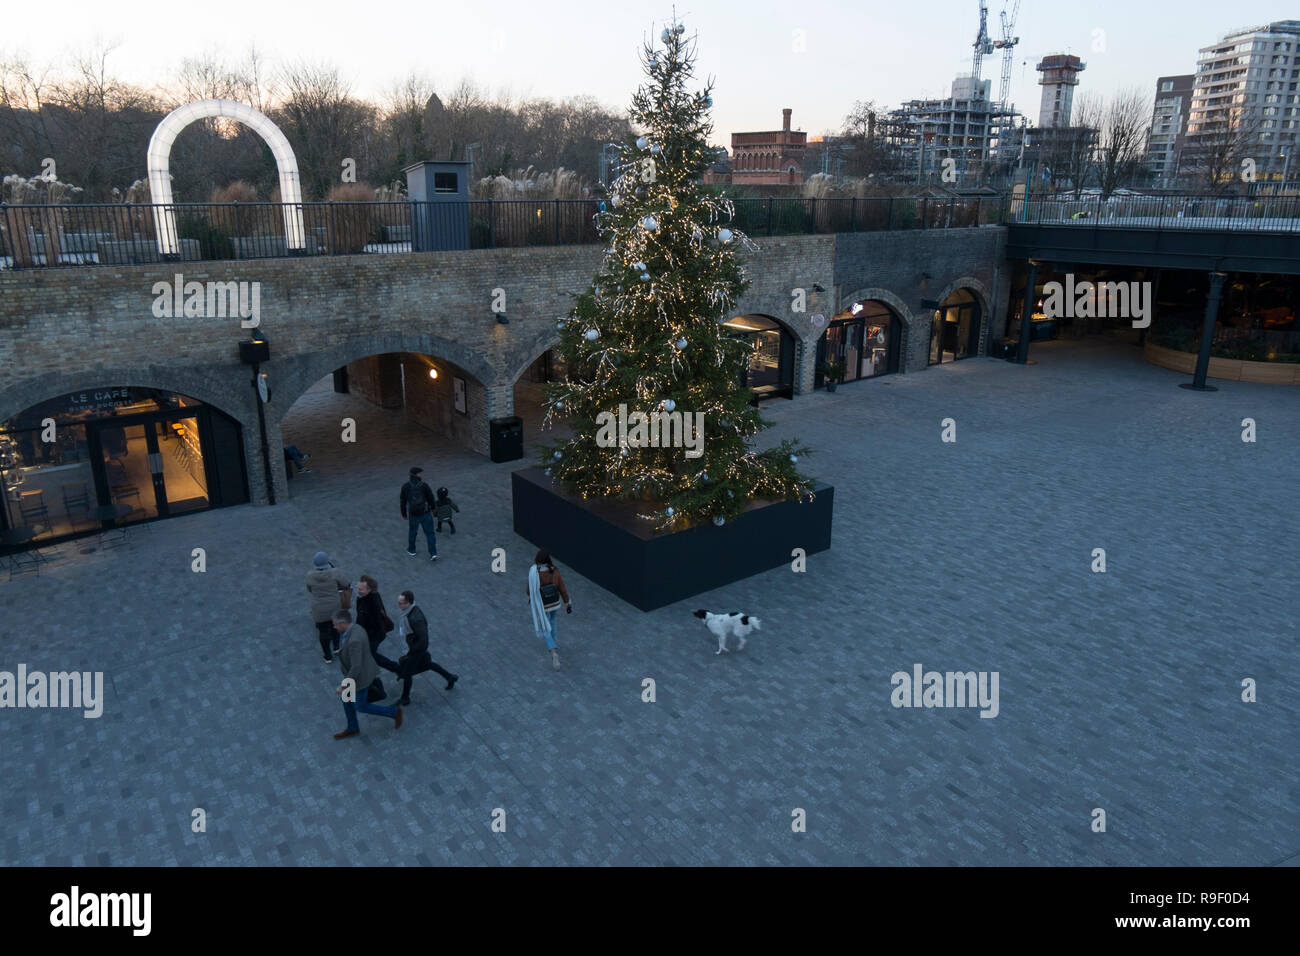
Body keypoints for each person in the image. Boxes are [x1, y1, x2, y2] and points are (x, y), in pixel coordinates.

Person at [375, 590, 458, 706]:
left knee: (408, 672)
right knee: (428, 664)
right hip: (416, 647)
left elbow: (423, 638)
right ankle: (450, 677)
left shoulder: (415, 618)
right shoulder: (409, 612)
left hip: (417, 649)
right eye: (399, 603)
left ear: (409, 603)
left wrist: (412, 652)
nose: (399, 606)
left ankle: (405, 698)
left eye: (401, 603)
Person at [331, 609, 402, 739]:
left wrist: (343, 685)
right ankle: (352, 727)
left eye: (335, 624)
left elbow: (356, 667)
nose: (334, 627)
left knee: (361, 706)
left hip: (360, 678)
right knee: (346, 700)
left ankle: (394, 712)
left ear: (343, 624)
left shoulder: (354, 641)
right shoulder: (356, 628)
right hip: (358, 674)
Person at [526, 549, 572, 670]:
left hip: (543, 605)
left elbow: (528, 590)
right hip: (555, 602)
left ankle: (553, 652)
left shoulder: (534, 572)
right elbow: (562, 587)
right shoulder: (555, 571)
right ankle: (553, 641)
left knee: (545, 627)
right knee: (552, 621)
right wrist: (567, 602)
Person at [306, 552, 351, 663]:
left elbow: (309, 589)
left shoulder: (310, 575)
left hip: (319, 609)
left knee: (323, 632)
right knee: (335, 628)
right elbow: (346, 584)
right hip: (334, 607)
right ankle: (336, 647)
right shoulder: (335, 573)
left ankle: (327, 656)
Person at [400, 466, 438, 561]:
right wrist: (433, 509)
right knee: (430, 533)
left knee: (413, 532)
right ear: (416, 475)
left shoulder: (405, 486)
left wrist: (404, 514)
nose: (421, 475)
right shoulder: (424, 485)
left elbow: (403, 501)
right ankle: (433, 553)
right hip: (425, 512)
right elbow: (431, 498)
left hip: (413, 514)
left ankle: (412, 550)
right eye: (420, 473)